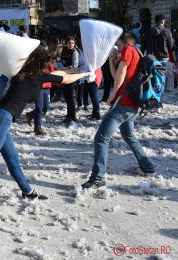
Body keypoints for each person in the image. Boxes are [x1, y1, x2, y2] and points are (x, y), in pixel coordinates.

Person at [0, 43, 91, 227]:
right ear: (43, 63)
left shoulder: (21, 73)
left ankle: (27, 192)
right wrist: (85, 74)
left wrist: (81, 68)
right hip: (0, 120)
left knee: (12, 160)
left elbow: (65, 71)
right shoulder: (37, 76)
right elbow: (65, 78)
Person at [81, 33, 155, 190]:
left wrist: (113, 95)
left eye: (118, 44)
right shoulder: (136, 53)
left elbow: (121, 72)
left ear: (125, 42)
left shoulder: (129, 49)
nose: (117, 48)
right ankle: (147, 165)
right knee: (129, 136)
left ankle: (97, 177)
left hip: (123, 104)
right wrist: (111, 61)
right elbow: (117, 76)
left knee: (101, 138)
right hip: (133, 105)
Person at [141, 14, 173, 109]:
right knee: (160, 82)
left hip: (151, 60)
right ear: (163, 21)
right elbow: (170, 46)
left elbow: (143, 46)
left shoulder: (148, 32)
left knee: (150, 81)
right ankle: (158, 104)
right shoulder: (167, 32)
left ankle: (150, 102)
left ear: (155, 22)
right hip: (163, 60)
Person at [26, 41, 54, 135]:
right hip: (38, 87)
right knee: (39, 107)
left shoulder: (49, 61)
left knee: (46, 107)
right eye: (43, 51)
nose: (45, 53)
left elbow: (52, 72)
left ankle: (30, 115)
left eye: (46, 51)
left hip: (47, 87)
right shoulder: (34, 61)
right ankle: (37, 126)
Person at [60, 36, 80, 125]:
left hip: (71, 76)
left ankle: (73, 116)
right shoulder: (64, 51)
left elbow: (75, 66)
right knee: (66, 95)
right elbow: (61, 61)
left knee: (71, 96)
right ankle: (68, 115)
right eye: (69, 43)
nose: (71, 44)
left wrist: (63, 68)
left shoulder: (74, 52)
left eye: (72, 43)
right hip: (65, 75)